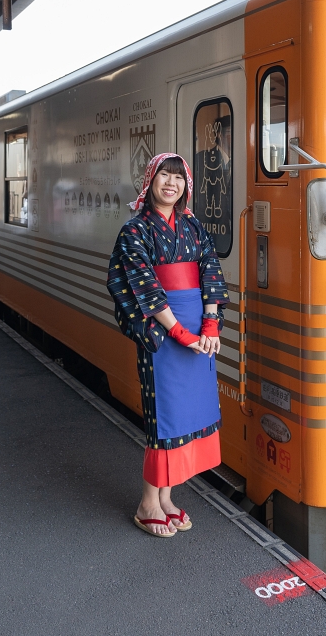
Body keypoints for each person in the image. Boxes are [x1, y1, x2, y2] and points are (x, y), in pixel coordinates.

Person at [106, 154, 228, 538]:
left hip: (196, 330)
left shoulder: (191, 225)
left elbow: (210, 267)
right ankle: (147, 503)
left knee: (188, 419)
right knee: (164, 420)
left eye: (178, 177)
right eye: (164, 175)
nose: (171, 183)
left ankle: (167, 498)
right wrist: (180, 334)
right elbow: (143, 286)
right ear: (150, 180)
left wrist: (210, 324)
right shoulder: (135, 230)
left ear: (185, 185)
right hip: (164, 334)